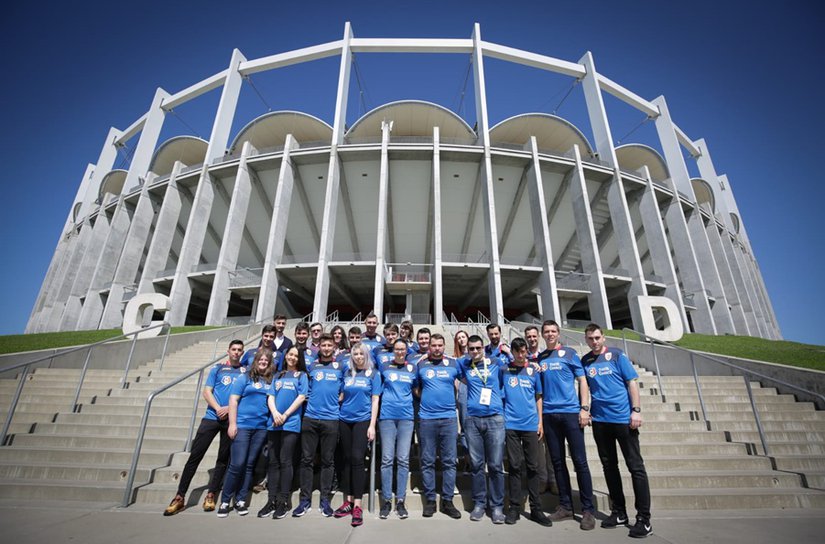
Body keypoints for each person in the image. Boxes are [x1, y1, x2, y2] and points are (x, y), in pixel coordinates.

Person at [582, 323, 652, 539]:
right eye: (590, 338)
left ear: (603, 337)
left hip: (623, 420)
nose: (594, 342)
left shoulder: (616, 355)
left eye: (597, 338)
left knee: (635, 467)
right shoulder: (586, 361)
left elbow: (632, 383)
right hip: (600, 421)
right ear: (586, 340)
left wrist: (636, 411)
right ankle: (619, 512)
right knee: (609, 467)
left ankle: (644, 519)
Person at [163, 340, 245, 516]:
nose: (236, 352)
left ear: (242, 353)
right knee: (195, 457)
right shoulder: (217, 369)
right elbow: (207, 391)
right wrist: (218, 408)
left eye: (239, 350)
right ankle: (179, 496)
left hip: (230, 419)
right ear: (228, 351)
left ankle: (211, 494)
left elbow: (243, 396)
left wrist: (228, 410)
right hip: (211, 418)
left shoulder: (244, 371)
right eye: (234, 349)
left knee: (223, 459)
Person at [538, 320, 595, 529]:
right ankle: (565, 507)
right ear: (543, 335)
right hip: (550, 415)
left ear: (558, 333)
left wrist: (584, 408)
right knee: (558, 462)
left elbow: (582, 381)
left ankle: (587, 510)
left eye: (553, 331)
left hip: (571, 413)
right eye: (547, 332)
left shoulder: (570, 353)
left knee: (580, 462)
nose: (550, 334)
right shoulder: (541, 357)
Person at [217, 349, 275, 517]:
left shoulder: (270, 380)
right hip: (242, 425)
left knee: (249, 464)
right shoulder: (245, 377)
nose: (263, 362)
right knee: (237, 464)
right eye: (261, 360)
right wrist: (232, 424)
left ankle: (241, 500)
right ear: (255, 361)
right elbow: (233, 400)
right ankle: (225, 500)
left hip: (261, 427)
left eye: (266, 360)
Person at [293, 334, 344, 518]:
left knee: (327, 461)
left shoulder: (340, 366)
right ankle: (304, 500)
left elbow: (345, 389)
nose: (327, 348)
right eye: (324, 345)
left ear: (334, 347)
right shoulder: (312, 366)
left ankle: (325, 500)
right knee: (306, 459)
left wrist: (338, 399)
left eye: (330, 345)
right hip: (311, 418)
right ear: (319, 347)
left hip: (331, 419)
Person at [502, 337, 549, 526]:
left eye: (524, 352)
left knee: (533, 467)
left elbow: (539, 397)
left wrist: (540, 422)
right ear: (512, 352)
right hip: (511, 425)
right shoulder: (504, 370)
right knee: (514, 466)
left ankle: (536, 509)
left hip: (531, 424)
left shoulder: (533, 370)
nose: (521, 355)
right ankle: (514, 508)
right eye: (517, 352)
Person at [256, 347, 308, 519]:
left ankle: (283, 501)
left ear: (299, 358)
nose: (292, 357)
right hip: (274, 423)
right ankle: (271, 500)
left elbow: (301, 397)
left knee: (286, 461)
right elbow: (270, 396)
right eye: (290, 354)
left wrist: (285, 415)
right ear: (286, 356)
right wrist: (276, 413)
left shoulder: (301, 376)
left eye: (295, 355)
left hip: (290, 423)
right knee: (273, 462)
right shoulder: (278, 375)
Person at [415, 333, 462, 519]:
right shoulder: (421, 364)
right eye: (433, 345)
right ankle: (430, 501)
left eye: (439, 345)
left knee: (449, 461)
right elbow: (416, 388)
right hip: (427, 419)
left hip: (449, 419)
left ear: (444, 346)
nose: (436, 348)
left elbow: (463, 380)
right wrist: (429, 400)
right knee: (427, 461)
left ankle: (448, 501)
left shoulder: (453, 364)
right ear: (429, 347)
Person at [460, 334, 506, 524]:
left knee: (495, 465)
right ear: (468, 350)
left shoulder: (496, 362)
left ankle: (497, 506)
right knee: (477, 465)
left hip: (495, 419)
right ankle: (479, 503)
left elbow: (515, 366)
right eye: (472, 349)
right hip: (472, 420)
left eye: (478, 348)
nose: (475, 352)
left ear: (483, 348)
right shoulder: (464, 364)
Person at [333, 343, 381, 527]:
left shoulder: (373, 374)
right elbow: (341, 396)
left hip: (362, 421)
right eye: (355, 354)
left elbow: (375, 401)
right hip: (345, 419)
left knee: (357, 458)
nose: (359, 356)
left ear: (366, 355)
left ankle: (358, 505)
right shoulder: (347, 374)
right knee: (346, 459)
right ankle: (349, 501)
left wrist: (371, 425)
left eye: (362, 353)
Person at [377, 339, 418, 520]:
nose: (400, 352)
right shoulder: (385, 367)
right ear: (393, 351)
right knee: (386, 459)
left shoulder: (413, 369)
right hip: (387, 417)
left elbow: (417, 391)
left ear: (407, 351)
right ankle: (387, 499)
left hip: (406, 418)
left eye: (403, 349)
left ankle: (400, 500)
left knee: (402, 459)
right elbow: (377, 392)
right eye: (397, 349)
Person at [525, 324, 558, 496]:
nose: (531, 339)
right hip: (532, 405)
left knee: (552, 446)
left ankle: (553, 480)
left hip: (551, 403)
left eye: (533, 336)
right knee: (537, 446)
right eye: (528, 337)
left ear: (539, 336)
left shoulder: (546, 356)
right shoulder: (524, 357)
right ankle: (542, 479)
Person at [453, 330, 470, 465]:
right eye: (459, 338)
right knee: (464, 426)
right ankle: (467, 459)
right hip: (464, 390)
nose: (461, 340)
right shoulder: (456, 359)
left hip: (479, 391)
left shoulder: (478, 354)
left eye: (463, 337)